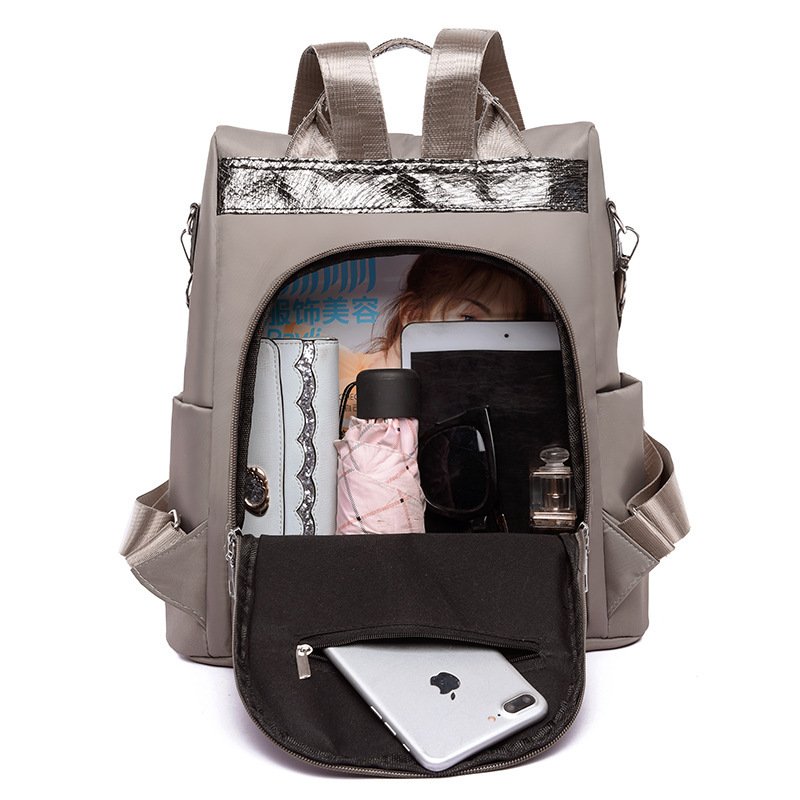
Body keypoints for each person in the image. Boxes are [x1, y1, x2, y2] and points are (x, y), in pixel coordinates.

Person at [339, 250, 552, 416]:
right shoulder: (336, 374)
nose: (487, 343)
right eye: (469, 318)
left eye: (507, 330)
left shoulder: (488, 406)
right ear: (412, 314)